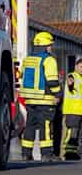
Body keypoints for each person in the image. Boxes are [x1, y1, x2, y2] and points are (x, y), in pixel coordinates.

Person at [20, 30, 63, 161]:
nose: (51, 47)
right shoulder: (49, 60)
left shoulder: (28, 59)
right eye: (50, 45)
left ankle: (26, 153)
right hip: (45, 100)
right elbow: (52, 81)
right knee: (46, 128)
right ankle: (46, 154)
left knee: (29, 127)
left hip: (30, 101)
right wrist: (58, 94)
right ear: (45, 46)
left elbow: (23, 75)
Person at [62, 59, 82, 162]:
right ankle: (68, 152)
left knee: (77, 134)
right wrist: (70, 83)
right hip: (72, 110)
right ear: (76, 66)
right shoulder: (72, 76)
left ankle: (74, 153)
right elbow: (70, 83)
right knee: (72, 133)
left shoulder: (81, 78)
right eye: (80, 67)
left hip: (79, 111)